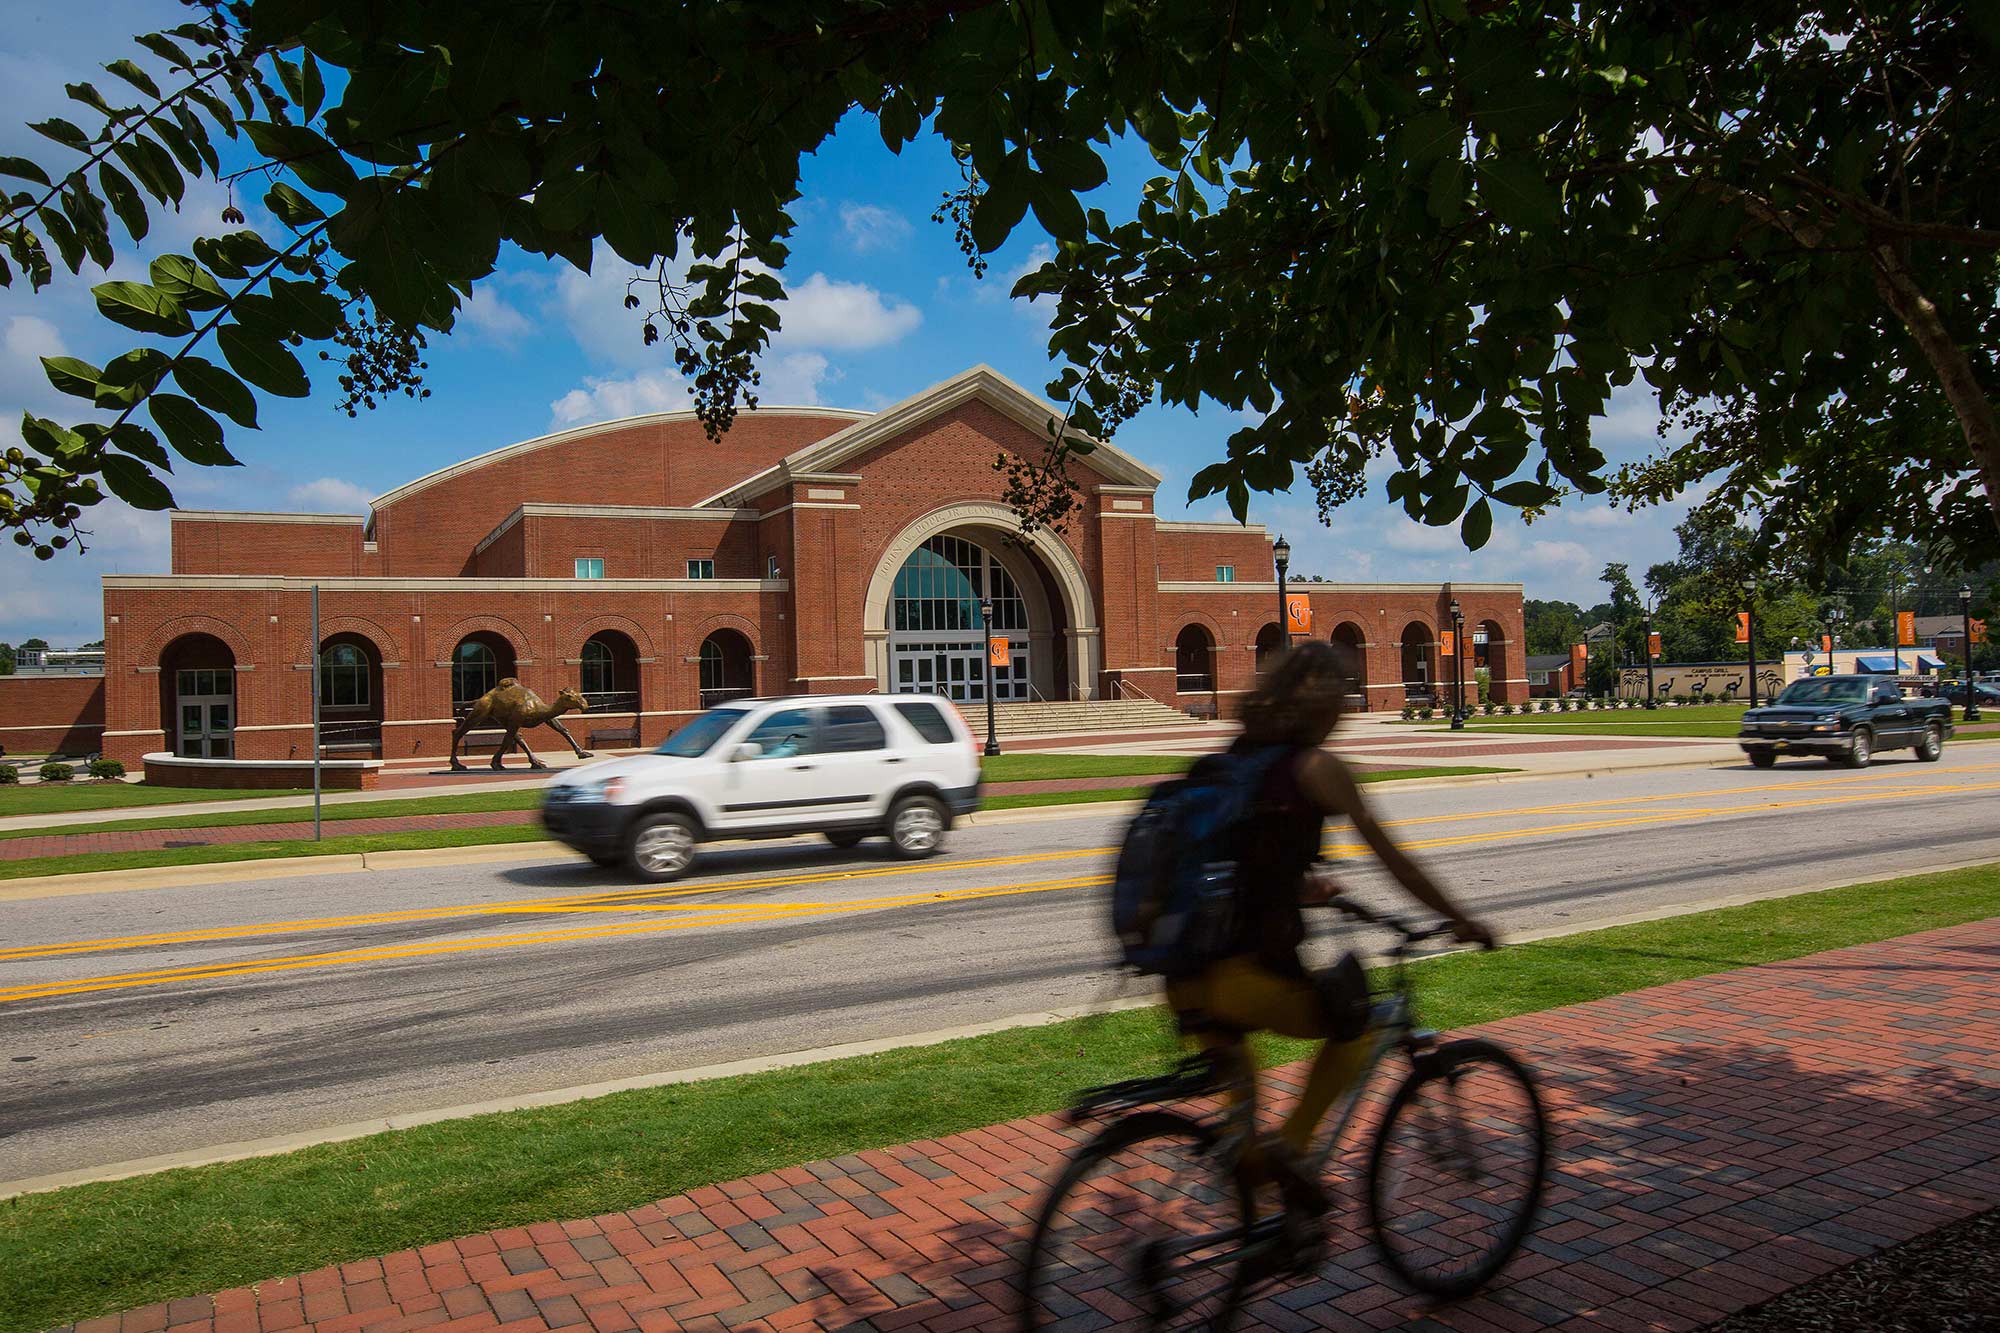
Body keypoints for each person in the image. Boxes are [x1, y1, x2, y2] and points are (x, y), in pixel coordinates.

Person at [1162, 639, 1495, 1264]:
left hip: (1183, 974)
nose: (1347, 704)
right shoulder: (1317, 768)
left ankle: (1256, 1241)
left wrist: (1303, 891)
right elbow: (1396, 860)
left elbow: (1236, 866)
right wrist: (1463, 919)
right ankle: (1294, 1154)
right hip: (1244, 974)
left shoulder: (1234, 759)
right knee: (1357, 1025)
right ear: (1323, 700)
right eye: (1343, 691)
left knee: (1244, 1139)